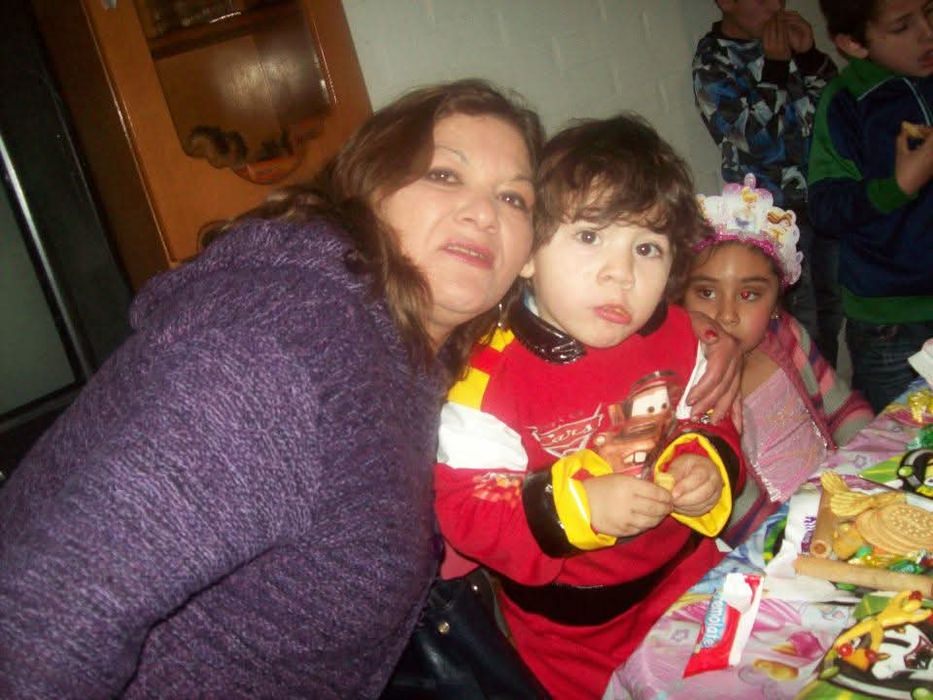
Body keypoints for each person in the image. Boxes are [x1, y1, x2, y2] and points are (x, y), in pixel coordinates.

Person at [0, 80, 740, 697]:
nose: (483, 212)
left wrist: (712, 339)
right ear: (365, 185)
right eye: (444, 175)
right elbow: (37, 628)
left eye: (514, 199)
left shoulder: (431, 342)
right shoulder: (269, 352)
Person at [432, 114, 746, 700]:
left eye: (647, 248)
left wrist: (705, 461)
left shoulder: (678, 335)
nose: (620, 274)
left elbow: (711, 415)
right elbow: (467, 509)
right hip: (572, 635)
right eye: (588, 236)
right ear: (528, 252)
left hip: (689, 578)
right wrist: (579, 507)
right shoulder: (487, 380)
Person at [684, 175, 873, 545]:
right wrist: (801, 542)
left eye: (749, 295)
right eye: (706, 292)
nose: (726, 315)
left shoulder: (786, 335)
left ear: (776, 303)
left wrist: (864, 476)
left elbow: (844, 410)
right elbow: (741, 513)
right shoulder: (692, 393)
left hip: (840, 501)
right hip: (771, 543)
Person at [693, 0, 843, 366]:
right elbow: (758, 140)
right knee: (801, 325)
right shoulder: (713, 62)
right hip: (775, 217)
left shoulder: (782, 45)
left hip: (824, 199)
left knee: (833, 308)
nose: (775, 6)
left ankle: (828, 393)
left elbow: (838, 111)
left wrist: (809, 56)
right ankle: (807, 396)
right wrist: (775, 68)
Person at [808, 0, 933, 412]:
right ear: (853, 44)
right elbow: (825, 209)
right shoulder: (847, 102)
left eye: (930, 12)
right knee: (902, 445)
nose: (927, 33)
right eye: (901, 27)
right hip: (892, 325)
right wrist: (899, 185)